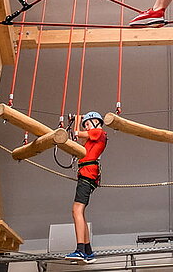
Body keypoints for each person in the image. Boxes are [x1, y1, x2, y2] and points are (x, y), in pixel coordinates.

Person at [64, 112, 106, 262]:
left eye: (88, 124)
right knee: (80, 212)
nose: (86, 127)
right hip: (87, 175)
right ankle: (87, 251)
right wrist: (78, 120)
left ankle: (80, 250)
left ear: (96, 122)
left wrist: (78, 119)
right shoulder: (93, 137)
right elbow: (76, 137)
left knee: (76, 210)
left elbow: (77, 134)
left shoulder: (98, 132)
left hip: (88, 175)